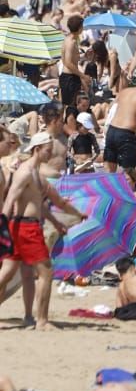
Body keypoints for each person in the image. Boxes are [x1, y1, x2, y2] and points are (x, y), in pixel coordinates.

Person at [0, 133, 85, 330]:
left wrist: (58, 222)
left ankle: (31, 317)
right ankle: (42, 321)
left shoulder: (36, 174)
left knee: (12, 274)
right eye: (47, 150)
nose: (50, 153)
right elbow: (11, 198)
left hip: (24, 225)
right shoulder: (26, 172)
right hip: (25, 227)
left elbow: (50, 203)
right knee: (46, 271)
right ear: (37, 149)